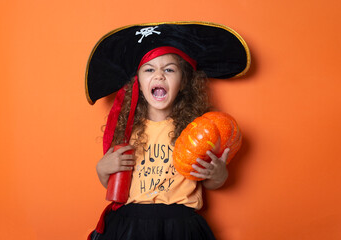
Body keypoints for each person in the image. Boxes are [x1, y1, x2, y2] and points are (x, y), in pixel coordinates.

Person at [85, 22, 250, 240]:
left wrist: (218, 174)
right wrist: (102, 169)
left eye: (169, 69)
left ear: (183, 82)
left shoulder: (197, 129)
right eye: (149, 69)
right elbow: (114, 184)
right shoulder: (127, 130)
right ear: (139, 84)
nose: (159, 75)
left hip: (180, 225)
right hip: (131, 225)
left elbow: (209, 181)